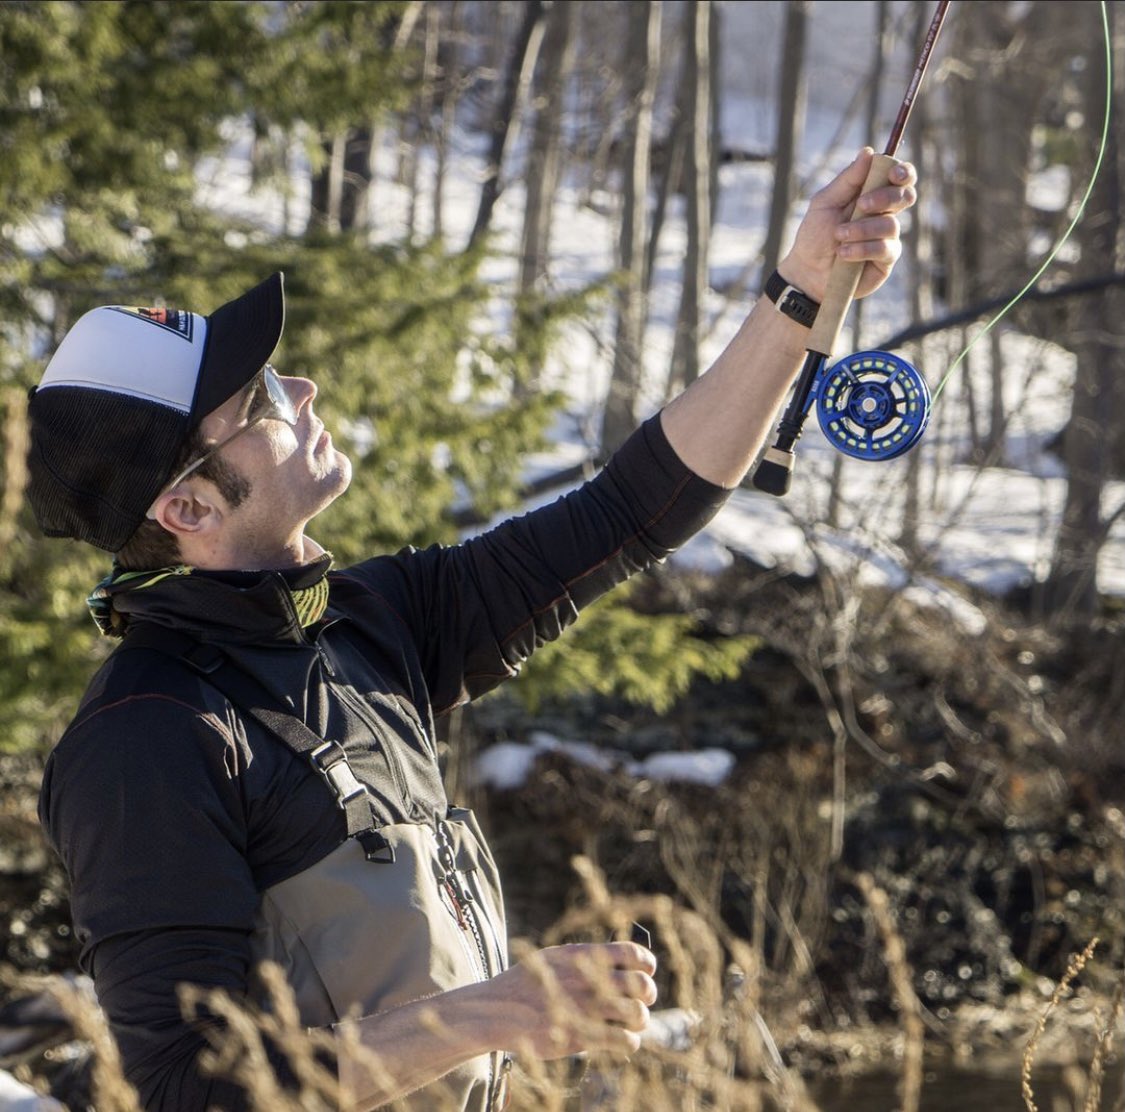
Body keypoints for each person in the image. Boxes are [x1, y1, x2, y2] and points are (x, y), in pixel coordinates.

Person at [28, 147, 916, 1111]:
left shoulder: (373, 622)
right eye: (262, 401)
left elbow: (633, 513)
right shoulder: (144, 740)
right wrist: (496, 1012)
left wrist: (801, 291)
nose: (307, 392)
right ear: (189, 509)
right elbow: (189, 1092)